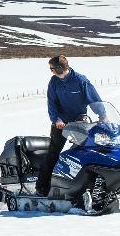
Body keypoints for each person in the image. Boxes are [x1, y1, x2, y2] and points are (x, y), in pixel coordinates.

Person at [35, 54, 103, 197]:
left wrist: (102, 115)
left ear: (60, 69)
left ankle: (86, 184)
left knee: (86, 152)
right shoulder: (53, 82)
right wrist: (57, 120)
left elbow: (94, 99)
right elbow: (51, 103)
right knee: (53, 154)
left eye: (52, 69)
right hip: (61, 124)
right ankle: (42, 187)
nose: (51, 72)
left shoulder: (80, 80)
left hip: (80, 123)